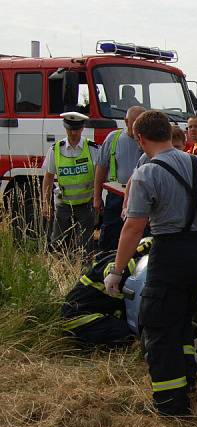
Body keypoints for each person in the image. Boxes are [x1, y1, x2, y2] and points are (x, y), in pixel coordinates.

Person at [104, 111, 197, 417]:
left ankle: (171, 405)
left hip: (170, 253)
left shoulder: (147, 172)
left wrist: (116, 271)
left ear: (140, 138)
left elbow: (133, 227)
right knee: (183, 320)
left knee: (158, 326)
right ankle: (188, 383)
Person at [62, 237, 153, 346]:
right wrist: (116, 273)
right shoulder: (124, 264)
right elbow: (109, 270)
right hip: (80, 319)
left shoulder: (123, 261)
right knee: (127, 334)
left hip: (88, 315)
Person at [41, 112, 101, 252]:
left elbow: (100, 175)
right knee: (58, 244)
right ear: (65, 128)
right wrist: (45, 203)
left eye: (76, 129)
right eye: (70, 129)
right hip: (63, 204)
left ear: (82, 128)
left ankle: (81, 271)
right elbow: (48, 177)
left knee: (85, 246)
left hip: (86, 204)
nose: (73, 133)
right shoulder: (56, 149)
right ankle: (59, 271)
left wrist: (97, 198)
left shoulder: (92, 148)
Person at [93, 106, 146, 252]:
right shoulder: (113, 138)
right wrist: (97, 197)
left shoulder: (147, 140)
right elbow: (101, 168)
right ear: (126, 121)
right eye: (135, 121)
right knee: (110, 234)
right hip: (116, 196)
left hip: (141, 196)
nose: (138, 125)